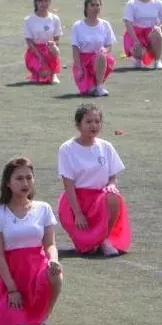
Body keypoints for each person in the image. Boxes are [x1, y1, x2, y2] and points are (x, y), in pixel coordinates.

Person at [0, 157, 62, 325]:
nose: (25, 183)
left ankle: (44, 319)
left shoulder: (43, 208)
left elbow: (50, 244)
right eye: (19, 179)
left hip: (37, 272)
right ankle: (22, 318)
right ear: (8, 183)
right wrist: (12, 289)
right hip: (11, 277)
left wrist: (53, 259)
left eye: (29, 177)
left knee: (56, 274)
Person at [57, 104, 131, 256]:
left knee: (113, 195)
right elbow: (68, 184)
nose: (94, 125)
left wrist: (111, 185)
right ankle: (91, 241)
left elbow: (112, 175)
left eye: (97, 121)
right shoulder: (67, 149)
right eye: (89, 122)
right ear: (79, 124)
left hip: (100, 199)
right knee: (88, 249)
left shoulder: (106, 146)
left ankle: (104, 239)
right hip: (77, 200)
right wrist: (77, 213)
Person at [70, 0, 115, 96]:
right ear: (86, 8)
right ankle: (92, 85)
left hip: (100, 59)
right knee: (88, 91)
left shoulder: (105, 24)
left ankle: (99, 86)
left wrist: (105, 50)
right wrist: (79, 68)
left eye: (98, 5)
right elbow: (75, 48)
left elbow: (109, 45)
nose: (96, 8)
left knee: (101, 55)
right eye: (92, 5)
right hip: (84, 62)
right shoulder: (78, 26)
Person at [122, 0, 162, 70]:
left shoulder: (158, 2)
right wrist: (136, 41)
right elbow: (128, 24)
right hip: (135, 34)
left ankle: (157, 61)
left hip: (151, 33)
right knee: (138, 53)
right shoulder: (131, 3)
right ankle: (137, 59)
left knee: (157, 32)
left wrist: (159, 27)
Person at [23, 0, 62, 84]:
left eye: (46, 1)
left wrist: (52, 45)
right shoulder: (29, 20)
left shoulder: (55, 18)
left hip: (49, 50)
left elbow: (57, 39)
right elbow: (30, 43)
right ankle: (38, 73)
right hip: (35, 52)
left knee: (54, 50)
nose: (43, 4)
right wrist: (41, 58)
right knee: (44, 73)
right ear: (36, 2)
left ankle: (53, 74)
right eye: (40, 1)